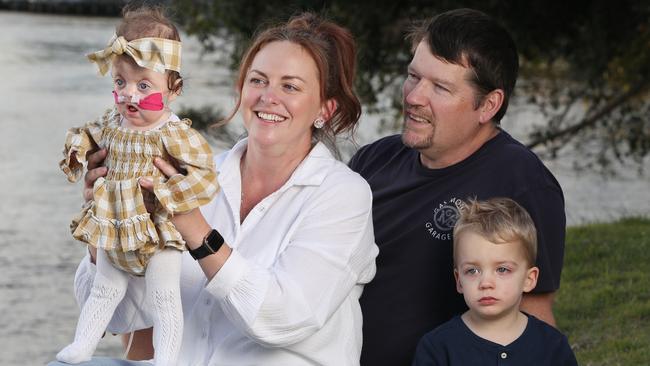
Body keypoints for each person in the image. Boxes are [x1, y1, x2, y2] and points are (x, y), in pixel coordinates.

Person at [49, 11, 378, 366]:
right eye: (258, 80)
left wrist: (196, 229)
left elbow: (284, 318)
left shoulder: (344, 195)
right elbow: (122, 317)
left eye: (290, 86)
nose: (268, 97)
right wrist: (107, 225)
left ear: (325, 110)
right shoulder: (196, 171)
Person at [348, 8, 566, 365]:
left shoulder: (521, 181)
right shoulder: (373, 161)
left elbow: (533, 321)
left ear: (488, 105)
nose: (415, 97)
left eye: (440, 87)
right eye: (413, 77)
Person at [56, 6, 218, 366]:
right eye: (120, 82)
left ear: (173, 89)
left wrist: (168, 193)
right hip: (115, 223)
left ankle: (166, 359)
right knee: (104, 287)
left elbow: (204, 174)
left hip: (157, 231)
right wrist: (79, 154)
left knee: (164, 296)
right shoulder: (113, 123)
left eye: (144, 85)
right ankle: (83, 346)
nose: (129, 94)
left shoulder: (173, 133)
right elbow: (87, 136)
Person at [412, 198, 577, 365]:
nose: (485, 283)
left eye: (502, 270)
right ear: (459, 280)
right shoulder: (437, 348)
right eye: (472, 271)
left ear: (529, 279)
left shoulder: (552, 346)